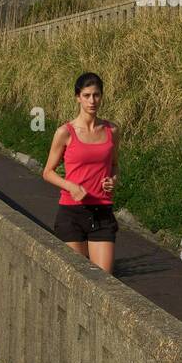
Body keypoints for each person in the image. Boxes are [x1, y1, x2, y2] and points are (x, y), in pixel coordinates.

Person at [43, 72, 120, 273]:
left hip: (102, 212)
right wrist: (71, 186)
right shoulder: (65, 132)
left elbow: (114, 165)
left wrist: (113, 180)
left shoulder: (112, 130)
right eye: (86, 95)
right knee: (78, 279)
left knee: (105, 282)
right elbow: (48, 172)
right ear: (78, 97)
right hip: (72, 212)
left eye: (96, 95)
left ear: (101, 96)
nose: (92, 101)